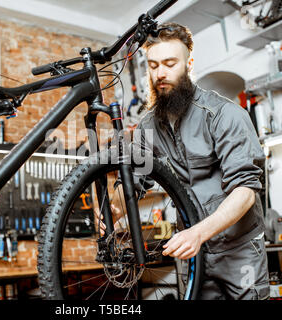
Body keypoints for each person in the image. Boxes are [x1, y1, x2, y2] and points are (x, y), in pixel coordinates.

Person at [98, 22, 269, 300]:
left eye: (169, 63)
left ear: (188, 64)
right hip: (193, 253)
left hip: (238, 252)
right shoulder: (147, 128)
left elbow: (246, 191)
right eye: (153, 66)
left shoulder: (224, 115)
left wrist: (198, 233)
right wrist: (115, 208)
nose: (160, 73)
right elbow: (135, 181)